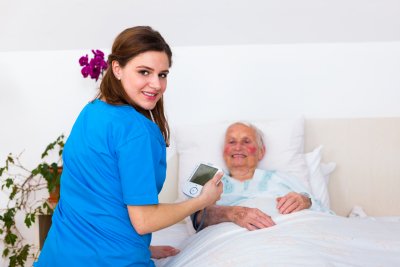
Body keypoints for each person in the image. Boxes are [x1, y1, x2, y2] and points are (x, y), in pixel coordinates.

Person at [34, 26, 223, 267]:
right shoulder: (136, 130)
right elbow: (144, 220)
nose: (156, 84)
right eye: (144, 72)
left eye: (162, 74)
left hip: (58, 257)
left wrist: (143, 245)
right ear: (117, 68)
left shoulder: (90, 112)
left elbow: (98, 199)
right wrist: (201, 201)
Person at [191, 122, 328, 232]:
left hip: (294, 233)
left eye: (246, 141)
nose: (238, 147)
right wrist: (231, 213)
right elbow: (197, 218)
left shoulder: (283, 178)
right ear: (223, 152)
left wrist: (305, 201)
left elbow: (322, 211)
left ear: (261, 152)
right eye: (232, 142)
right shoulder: (210, 181)